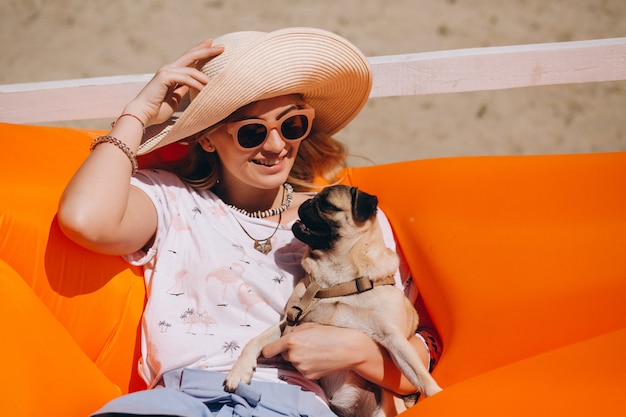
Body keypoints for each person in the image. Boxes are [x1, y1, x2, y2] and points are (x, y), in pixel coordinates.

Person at [58, 27, 441, 417]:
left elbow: (418, 348)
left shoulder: (343, 219)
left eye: (292, 125)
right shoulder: (173, 201)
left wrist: (358, 352)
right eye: (251, 132)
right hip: (179, 400)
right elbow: (84, 220)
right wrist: (137, 114)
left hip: (295, 404)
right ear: (207, 138)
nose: (276, 146)